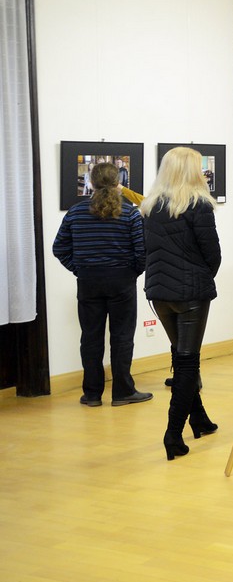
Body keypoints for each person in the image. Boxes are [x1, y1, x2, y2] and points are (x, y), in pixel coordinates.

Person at [141, 146, 221, 461]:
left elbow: (147, 250)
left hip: (159, 293)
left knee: (180, 354)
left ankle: (199, 419)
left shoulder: (150, 206)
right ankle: (173, 434)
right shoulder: (198, 205)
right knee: (188, 362)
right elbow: (212, 254)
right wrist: (201, 277)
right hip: (190, 294)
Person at [53, 161, 152, 408]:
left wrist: (79, 269)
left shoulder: (76, 212)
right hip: (121, 280)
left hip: (88, 281)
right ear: (118, 182)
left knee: (90, 338)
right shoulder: (130, 213)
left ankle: (92, 394)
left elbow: (59, 248)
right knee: (122, 337)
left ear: (91, 183)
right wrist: (132, 272)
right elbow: (142, 251)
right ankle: (123, 392)